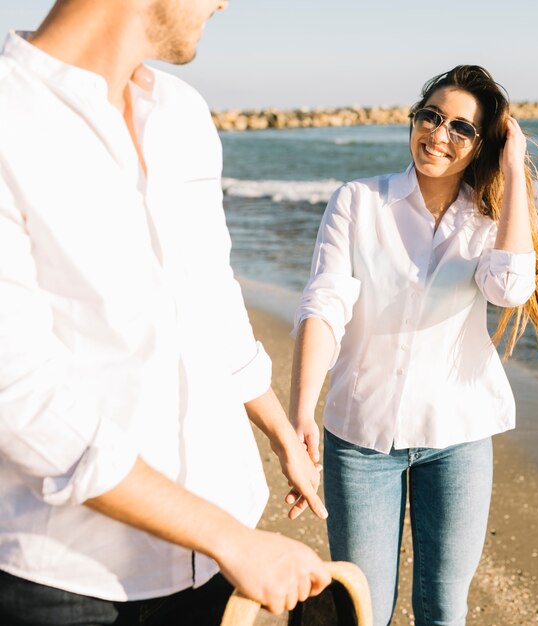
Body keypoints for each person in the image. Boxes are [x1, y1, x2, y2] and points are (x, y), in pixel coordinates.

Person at [0, 1, 332, 624]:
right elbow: (23, 403)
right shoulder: (8, 120)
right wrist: (232, 540)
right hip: (71, 583)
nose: (222, 3)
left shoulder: (181, 115)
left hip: (216, 562)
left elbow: (210, 295)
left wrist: (280, 430)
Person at [288, 65, 538, 625]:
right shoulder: (359, 202)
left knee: (443, 609)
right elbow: (324, 305)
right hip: (362, 438)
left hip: (456, 437)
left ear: (483, 144)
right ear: (413, 118)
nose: (439, 134)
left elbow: (510, 289)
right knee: (363, 610)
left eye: (462, 128)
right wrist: (300, 415)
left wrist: (512, 169)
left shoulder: (488, 225)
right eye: (431, 116)